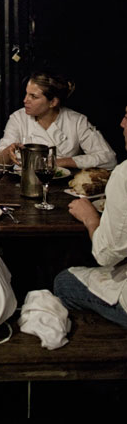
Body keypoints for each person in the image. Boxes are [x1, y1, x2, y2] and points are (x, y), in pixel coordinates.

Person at [53, 107, 127, 329]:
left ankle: (99, 351)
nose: (121, 124)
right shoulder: (19, 118)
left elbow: (106, 254)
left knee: (64, 282)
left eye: (126, 116)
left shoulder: (123, 175)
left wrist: (90, 218)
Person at [0, 71, 116, 170]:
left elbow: (108, 159)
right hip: (25, 184)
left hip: (65, 188)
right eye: (26, 94)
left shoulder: (77, 121)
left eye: (34, 96)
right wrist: (7, 152)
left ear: (53, 102)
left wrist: (60, 162)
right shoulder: (18, 118)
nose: (25, 100)